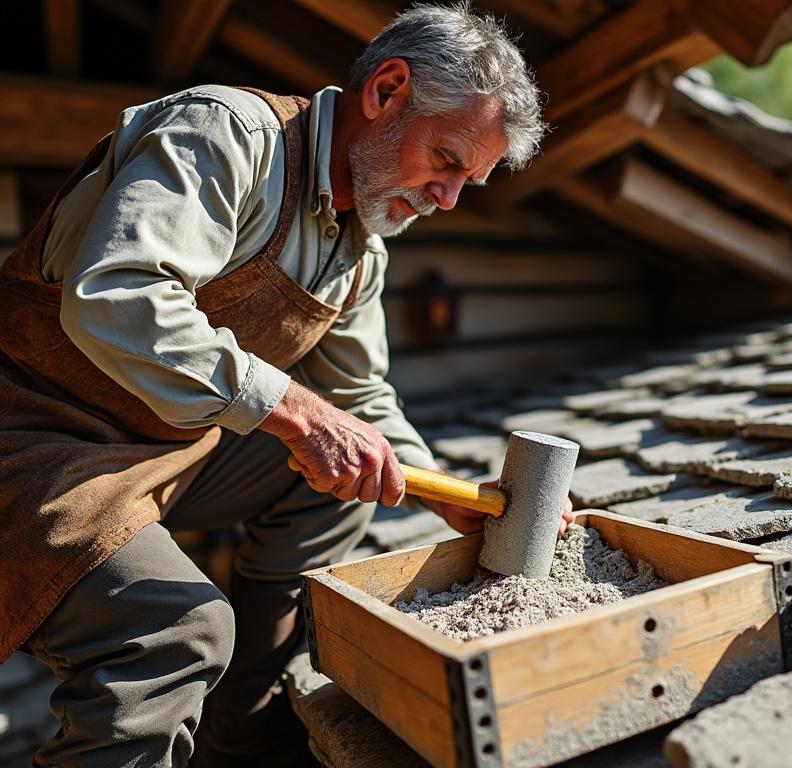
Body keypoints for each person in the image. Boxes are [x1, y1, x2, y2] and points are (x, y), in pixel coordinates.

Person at [0, 4, 566, 765]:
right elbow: (119, 296)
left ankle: (247, 730)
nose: (449, 197)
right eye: (448, 159)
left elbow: (362, 403)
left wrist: (445, 494)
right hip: (31, 435)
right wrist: (295, 408)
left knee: (341, 473)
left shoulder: (362, 246)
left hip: (160, 449)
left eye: (470, 181)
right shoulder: (225, 135)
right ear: (386, 90)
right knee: (178, 630)